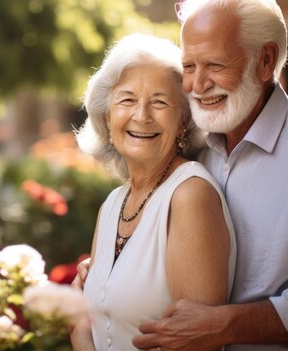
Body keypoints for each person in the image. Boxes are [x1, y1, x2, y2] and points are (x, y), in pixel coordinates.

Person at [99, 0, 288, 350]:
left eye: (214, 64)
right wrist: (108, 273)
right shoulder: (191, 143)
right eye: (189, 66)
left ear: (266, 60)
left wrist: (228, 325)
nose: (197, 84)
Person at [69, 33, 237, 351]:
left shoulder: (189, 196)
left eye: (159, 102)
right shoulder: (112, 204)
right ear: (107, 114)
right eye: (127, 99)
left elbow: (198, 347)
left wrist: (79, 337)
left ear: (184, 120)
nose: (142, 115)